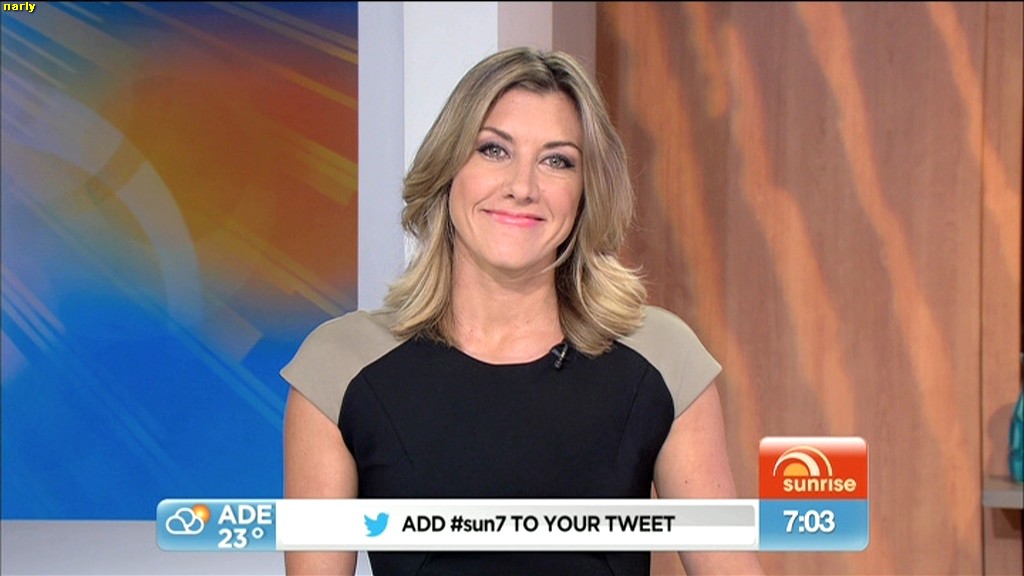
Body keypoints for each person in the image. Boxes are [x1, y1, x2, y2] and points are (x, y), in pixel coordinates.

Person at [281, 47, 764, 576]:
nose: (522, 187)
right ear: (448, 171)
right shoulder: (340, 366)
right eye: (494, 150)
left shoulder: (663, 359)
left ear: (585, 193)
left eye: (557, 161)